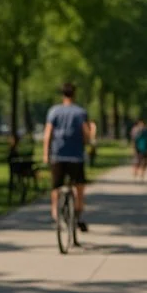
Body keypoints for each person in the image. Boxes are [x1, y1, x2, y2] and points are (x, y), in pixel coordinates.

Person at [43, 82, 95, 232]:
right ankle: (78, 213)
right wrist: (88, 141)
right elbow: (86, 134)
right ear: (74, 94)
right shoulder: (80, 112)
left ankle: (55, 213)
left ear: (62, 94)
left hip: (57, 154)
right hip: (76, 156)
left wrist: (46, 154)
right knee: (79, 186)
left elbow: (48, 134)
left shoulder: (54, 111)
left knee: (56, 186)